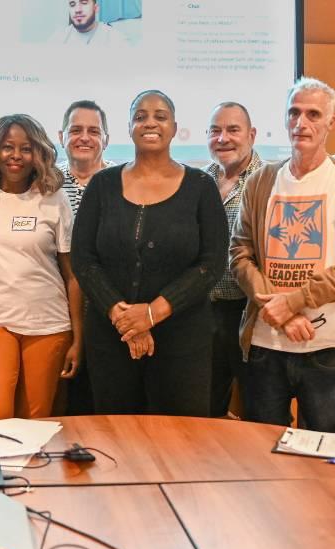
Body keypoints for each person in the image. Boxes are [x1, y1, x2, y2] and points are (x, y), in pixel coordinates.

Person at [230, 77, 335, 432]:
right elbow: (239, 253)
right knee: (262, 452)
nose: (302, 123)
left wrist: (295, 300)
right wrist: (280, 313)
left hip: (329, 347)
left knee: (325, 457)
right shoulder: (262, 180)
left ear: (331, 122)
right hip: (267, 343)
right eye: (294, 113)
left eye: (313, 114)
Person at [72, 90, 228, 416]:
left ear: (174, 127)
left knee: (179, 445)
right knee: (115, 443)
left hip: (183, 341)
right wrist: (123, 317)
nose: (150, 123)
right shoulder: (102, 186)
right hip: (111, 338)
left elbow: (211, 264)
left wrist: (152, 314)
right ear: (129, 127)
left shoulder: (201, 186)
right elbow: (84, 260)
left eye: (160, 116)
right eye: (140, 116)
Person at [0, 114, 82, 420]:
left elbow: (72, 275)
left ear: (38, 153)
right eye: (7, 147)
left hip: (49, 324)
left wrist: (78, 339)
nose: (16, 156)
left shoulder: (54, 199)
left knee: (35, 425)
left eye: (25, 148)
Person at [203, 101, 263, 418]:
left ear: (251, 134)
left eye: (233, 130)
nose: (223, 138)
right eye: (215, 130)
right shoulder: (201, 180)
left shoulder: (267, 180)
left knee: (256, 404)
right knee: (206, 405)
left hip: (249, 310)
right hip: (204, 311)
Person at [56, 99, 114, 415]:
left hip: (112, 316)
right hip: (57, 317)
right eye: (76, 130)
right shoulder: (46, 184)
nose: (84, 137)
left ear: (105, 139)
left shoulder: (124, 181)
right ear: (61, 135)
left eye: (94, 131)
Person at [49, 0, 128, 46]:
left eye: (84, 3)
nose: (77, 10)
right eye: (72, 4)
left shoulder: (116, 40)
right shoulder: (58, 38)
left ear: (96, 8)